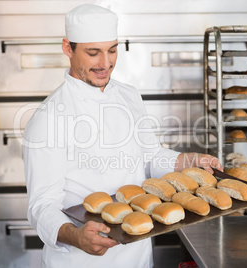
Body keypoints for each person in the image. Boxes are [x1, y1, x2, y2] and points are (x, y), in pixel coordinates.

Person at [23, 4, 222, 268]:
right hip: (79, 261)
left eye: (112, 50)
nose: (105, 64)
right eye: (93, 53)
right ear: (67, 48)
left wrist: (189, 161)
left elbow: (150, 156)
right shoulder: (49, 117)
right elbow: (42, 204)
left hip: (137, 255)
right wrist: (75, 235)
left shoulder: (128, 96)